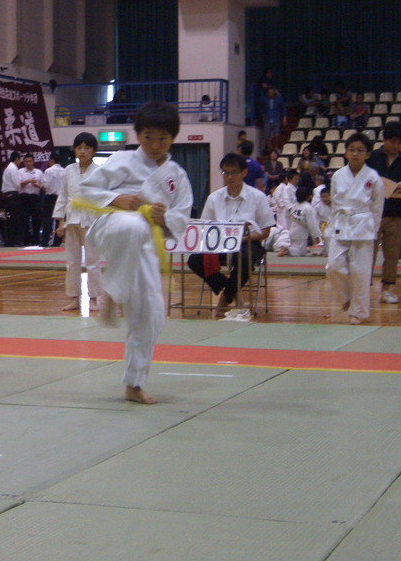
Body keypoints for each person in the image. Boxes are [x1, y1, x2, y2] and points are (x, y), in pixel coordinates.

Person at [81, 101, 192, 405]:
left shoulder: (177, 176)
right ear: (137, 135)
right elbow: (84, 190)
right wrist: (118, 198)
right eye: (147, 138)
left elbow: (182, 215)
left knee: (151, 314)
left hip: (145, 247)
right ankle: (111, 293)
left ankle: (134, 383)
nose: (154, 145)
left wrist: (163, 218)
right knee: (133, 225)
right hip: (112, 229)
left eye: (162, 139)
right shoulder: (122, 160)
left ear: (174, 138)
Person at [188, 154, 274, 317]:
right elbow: (205, 227)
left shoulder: (257, 197)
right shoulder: (214, 198)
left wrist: (245, 239)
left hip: (248, 243)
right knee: (194, 260)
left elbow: (265, 231)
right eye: (225, 173)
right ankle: (232, 291)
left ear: (244, 173)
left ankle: (225, 298)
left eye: (233, 172)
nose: (229, 177)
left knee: (244, 258)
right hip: (219, 245)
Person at [326, 132, 385, 324]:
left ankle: (357, 312)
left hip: (363, 224)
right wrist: (333, 223)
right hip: (341, 222)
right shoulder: (337, 175)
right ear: (345, 153)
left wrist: (374, 229)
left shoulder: (373, 177)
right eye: (351, 150)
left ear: (367, 154)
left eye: (360, 150)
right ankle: (347, 298)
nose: (355, 154)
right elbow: (334, 204)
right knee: (333, 266)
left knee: (360, 270)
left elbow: (377, 207)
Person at [367, 120, 401, 303]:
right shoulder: (371, 158)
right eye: (393, 142)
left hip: (396, 214)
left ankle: (387, 289)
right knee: (367, 253)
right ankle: (364, 288)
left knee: (392, 254)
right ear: (384, 140)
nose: (396, 146)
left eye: (399, 143)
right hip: (372, 214)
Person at [53, 132, 102, 312]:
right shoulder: (68, 170)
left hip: (92, 220)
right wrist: (60, 222)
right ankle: (74, 298)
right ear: (74, 150)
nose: (82, 151)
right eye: (79, 148)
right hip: (72, 219)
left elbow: (104, 197)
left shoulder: (99, 171)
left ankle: (95, 299)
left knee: (92, 261)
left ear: (93, 151)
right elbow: (63, 196)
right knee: (72, 261)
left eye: (87, 148)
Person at [277, 186, 322, 257]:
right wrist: (316, 236)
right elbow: (312, 224)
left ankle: (288, 249)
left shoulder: (295, 206)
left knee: (297, 247)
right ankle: (286, 248)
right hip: (301, 232)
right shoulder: (308, 208)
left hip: (293, 229)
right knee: (300, 253)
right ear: (308, 197)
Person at [18, 153, 44, 245]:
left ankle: (36, 240)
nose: (28, 163)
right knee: (24, 219)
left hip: (35, 197)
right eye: (26, 162)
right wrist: (29, 181)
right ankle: (25, 240)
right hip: (23, 197)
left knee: (36, 219)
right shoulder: (20, 171)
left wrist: (37, 185)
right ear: (24, 163)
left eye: (30, 161)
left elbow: (43, 186)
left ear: (33, 162)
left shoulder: (39, 172)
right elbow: (19, 184)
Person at [40, 153, 65, 246]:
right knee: (60, 219)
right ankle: (57, 242)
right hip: (61, 197)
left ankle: (45, 241)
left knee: (47, 220)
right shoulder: (65, 171)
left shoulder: (48, 171)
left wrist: (40, 185)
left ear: (51, 161)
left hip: (50, 197)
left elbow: (46, 185)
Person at [1, 152, 24, 247]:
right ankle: (11, 241)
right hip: (12, 195)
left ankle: (10, 240)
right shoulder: (13, 168)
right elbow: (17, 184)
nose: (20, 162)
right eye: (20, 159)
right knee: (16, 219)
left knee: (14, 219)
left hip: (8, 195)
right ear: (17, 159)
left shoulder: (8, 168)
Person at [259, 87, 286, 151]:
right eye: (269, 93)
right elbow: (261, 107)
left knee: (276, 135)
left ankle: (276, 146)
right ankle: (270, 149)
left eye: (271, 93)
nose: (270, 94)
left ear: (274, 93)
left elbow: (283, 109)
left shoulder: (279, 99)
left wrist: (284, 117)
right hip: (267, 119)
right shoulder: (265, 99)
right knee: (267, 136)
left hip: (276, 118)